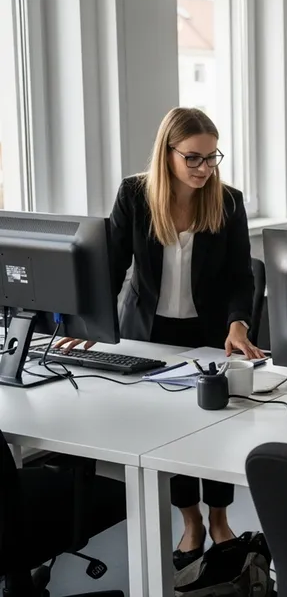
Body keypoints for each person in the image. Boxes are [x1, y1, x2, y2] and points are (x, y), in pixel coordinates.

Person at [56, 107, 262, 571]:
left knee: (217, 429)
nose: (204, 168)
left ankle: (220, 519)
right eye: (193, 158)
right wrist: (90, 325)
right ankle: (190, 522)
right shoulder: (135, 194)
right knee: (173, 435)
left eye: (212, 158)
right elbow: (109, 265)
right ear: (166, 152)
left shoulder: (227, 201)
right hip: (150, 331)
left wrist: (238, 322)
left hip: (209, 333)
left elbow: (240, 276)